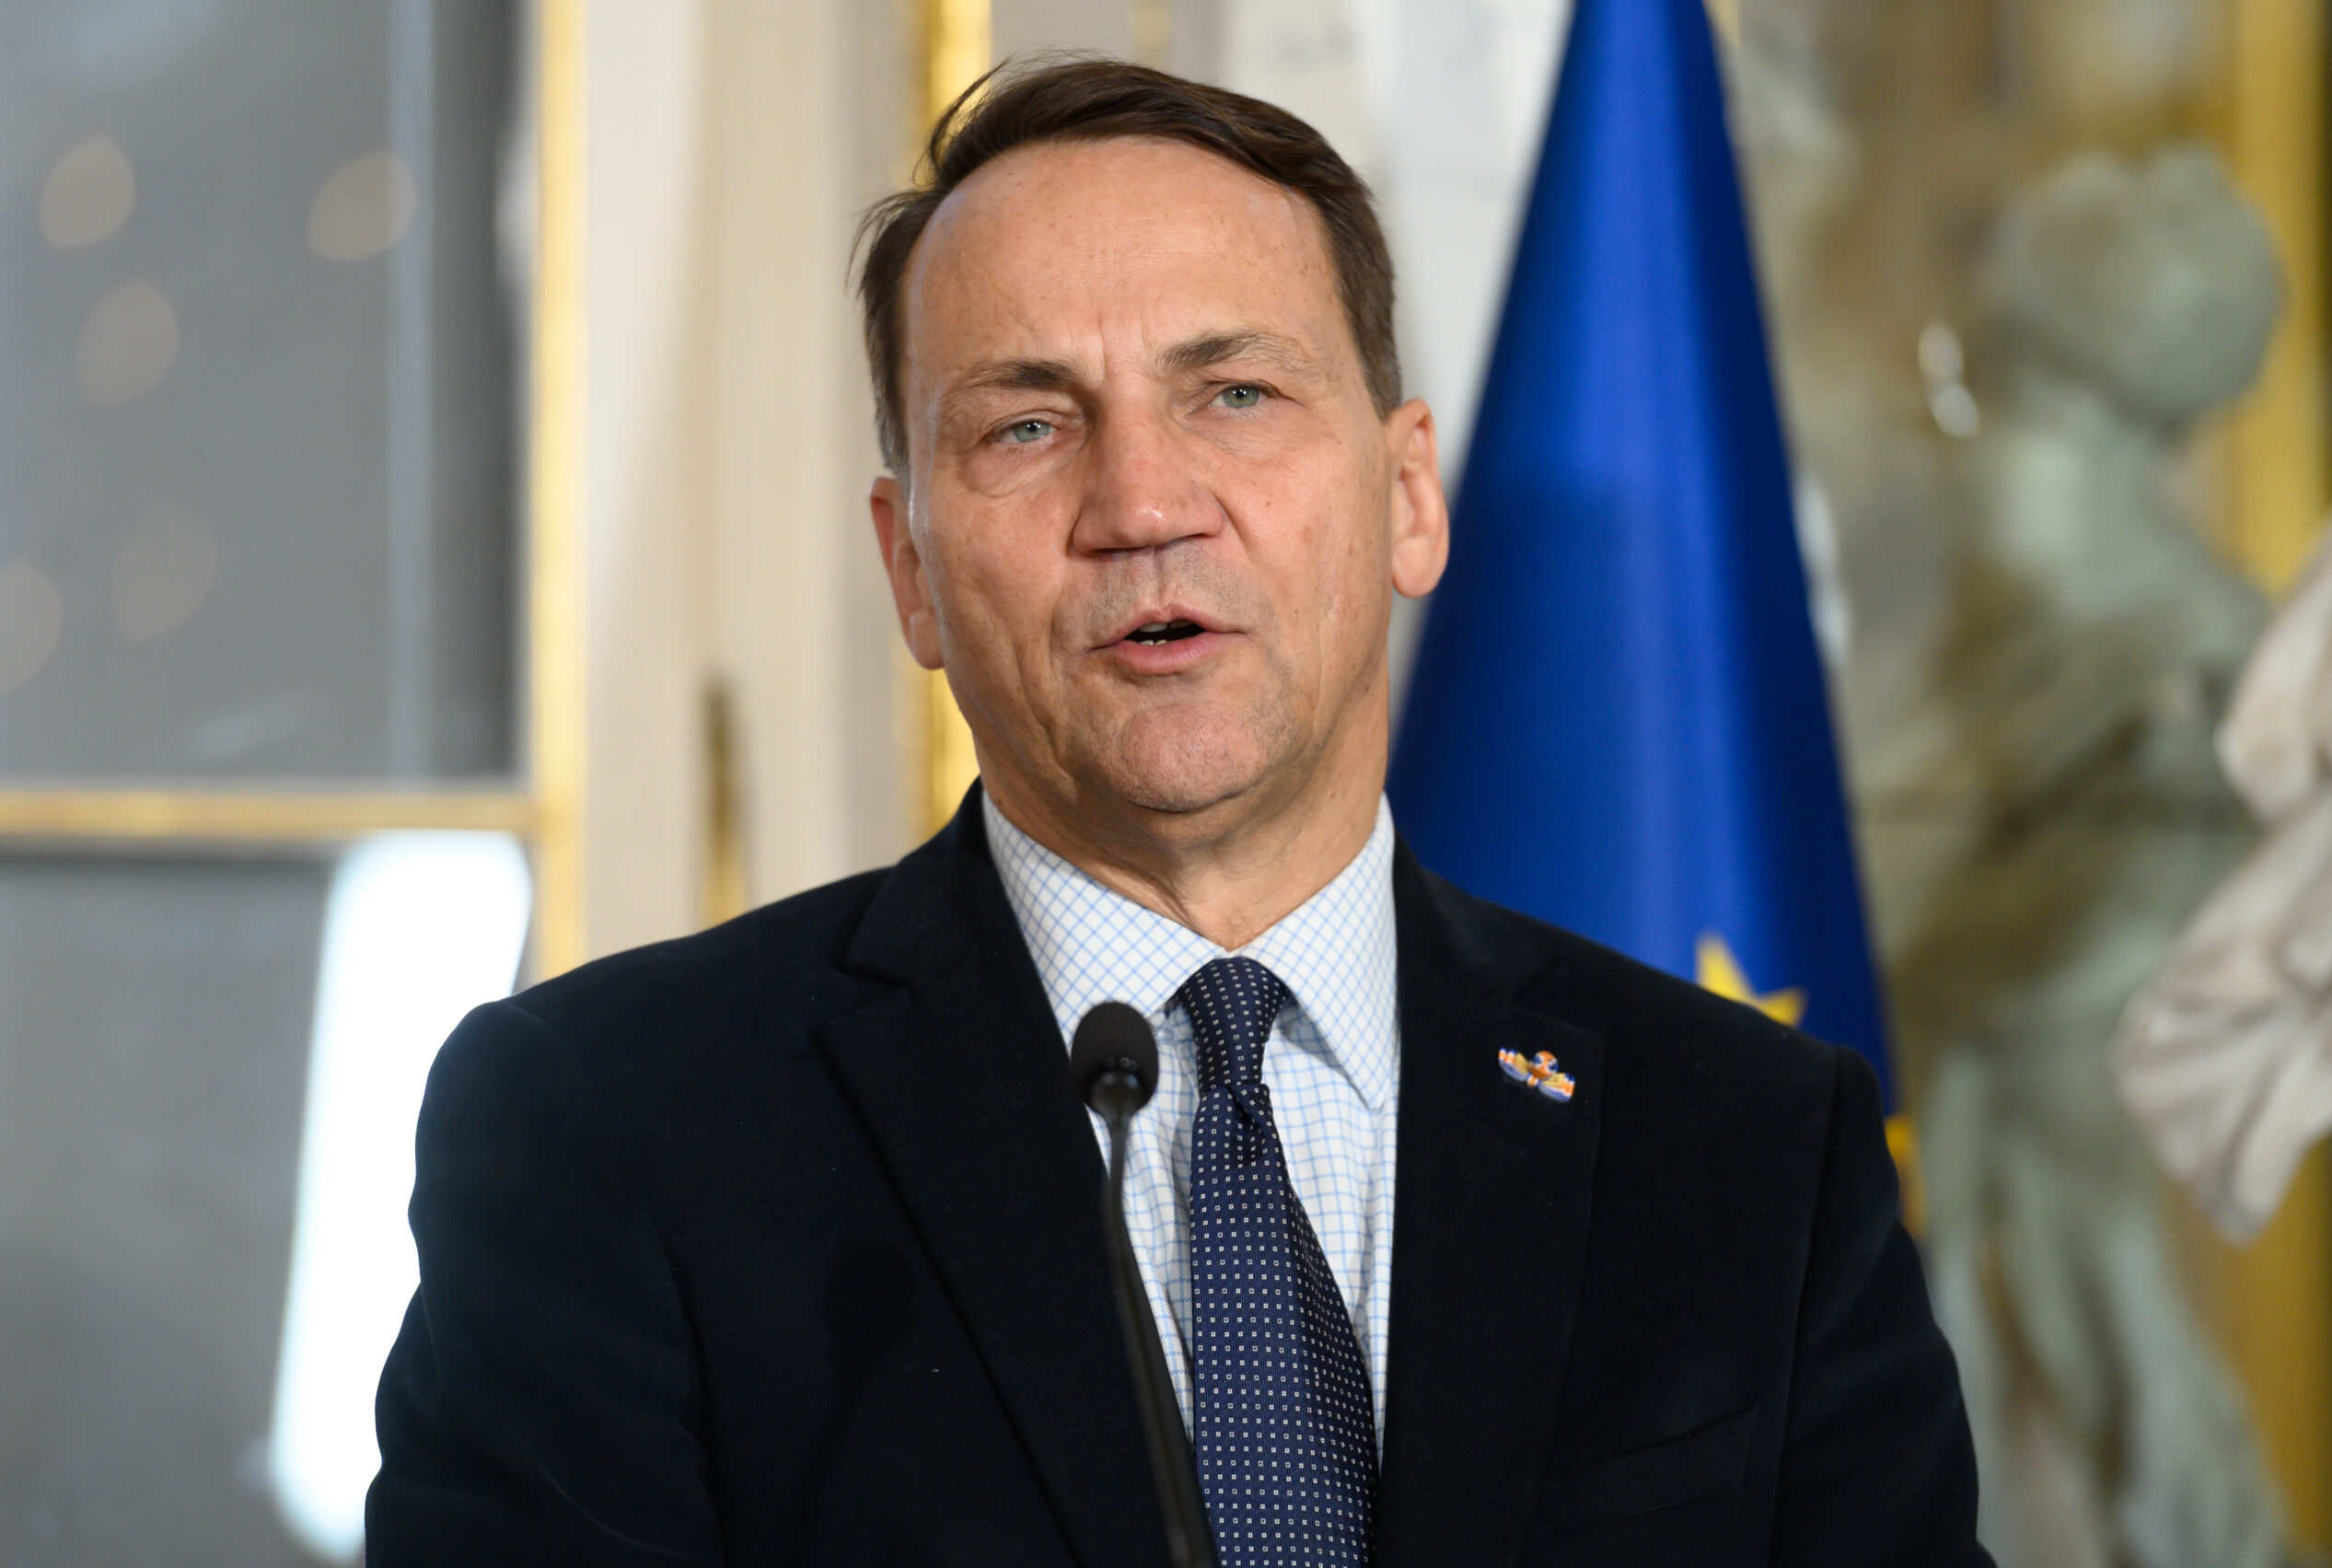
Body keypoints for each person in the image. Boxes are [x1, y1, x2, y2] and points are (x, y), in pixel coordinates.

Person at [366, 57, 1988, 1568]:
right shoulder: (617, 1131)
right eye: (1027, 425)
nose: (1141, 505)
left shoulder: (1750, 1144)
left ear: (1408, 496)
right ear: (912, 569)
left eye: (1235, 395)